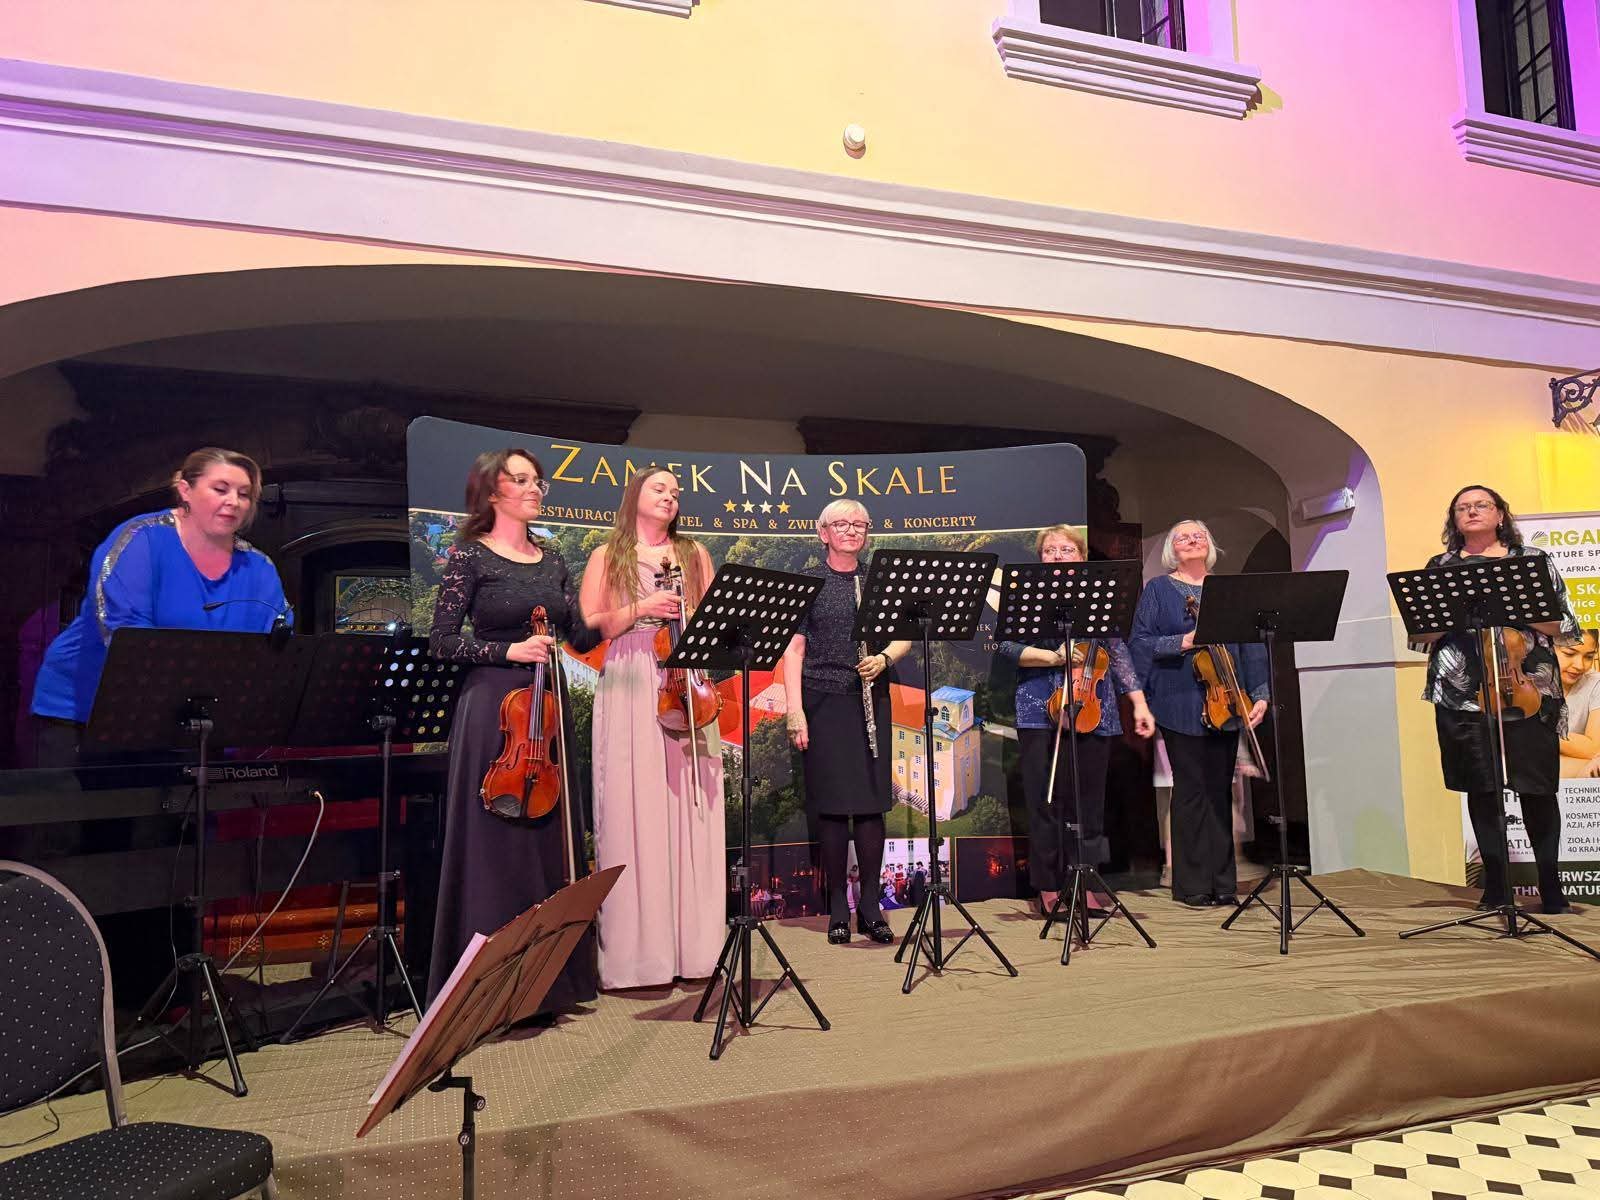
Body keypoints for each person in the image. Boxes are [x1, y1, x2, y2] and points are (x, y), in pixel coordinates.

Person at [426, 448, 601, 1010]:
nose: (534, 489)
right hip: (493, 707)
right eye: (520, 480)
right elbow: (441, 641)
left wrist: (632, 606)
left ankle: (549, 985)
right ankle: (486, 988)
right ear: (491, 491)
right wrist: (508, 650)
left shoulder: (552, 559)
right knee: (494, 840)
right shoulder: (470, 556)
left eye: (537, 481)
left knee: (546, 837)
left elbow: (580, 636)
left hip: (545, 708)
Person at [30, 447, 289, 763]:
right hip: (85, 713)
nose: (233, 501)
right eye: (220, 489)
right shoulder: (141, 539)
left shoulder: (259, 567)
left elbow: (275, 644)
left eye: (244, 494)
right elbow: (129, 635)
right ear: (185, 490)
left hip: (193, 719)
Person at [581, 467, 725, 988]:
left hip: (686, 681)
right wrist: (643, 607)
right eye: (659, 488)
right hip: (631, 675)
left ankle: (698, 951)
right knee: (632, 804)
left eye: (675, 492)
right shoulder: (607, 555)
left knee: (694, 807)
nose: (670, 496)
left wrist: (693, 618)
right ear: (634, 496)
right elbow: (589, 626)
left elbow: (714, 622)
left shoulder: (694, 553)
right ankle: (639, 957)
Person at [1414, 486, 1580, 913]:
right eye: (1462, 507)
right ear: (1454, 519)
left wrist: (1512, 607)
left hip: (1529, 689)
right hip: (1462, 695)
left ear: (1500, 514)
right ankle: (1496, 886)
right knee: (1481, 787)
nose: (1471, 511)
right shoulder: (1440, 568)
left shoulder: (1532, 561)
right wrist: (1453, 615)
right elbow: (1421, 637)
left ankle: (1550, 885)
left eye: (1481, 505)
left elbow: (1563, 625)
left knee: (1537, 787)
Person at [996, 524, 1156, 916]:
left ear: (1081, 557)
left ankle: (1085, 879)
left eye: (1066, 549)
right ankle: (1048, 886)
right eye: (1049, 550)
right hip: (1038, 708)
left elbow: (1117, 651)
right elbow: (1005, 646)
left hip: (1094, 708)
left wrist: (1138, 703)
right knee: (1045, 801)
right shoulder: (1026, 596)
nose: (1057, 555)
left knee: (1088, 803)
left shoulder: (1099, 597)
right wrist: (1052, 657)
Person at [783, 499, 912, 944]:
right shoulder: (809, 582)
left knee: (872, 806)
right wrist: (795, 709)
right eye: (842, 524)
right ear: (823, 533)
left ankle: (872, 906)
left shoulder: (878, 580)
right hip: (823, 701)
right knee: (834, 810)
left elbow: (903, 635)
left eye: (860, 524)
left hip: (871, 699)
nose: (852, 530)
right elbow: (794, 649)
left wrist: (884, 658)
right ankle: (839, 904)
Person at [1130, 519, 1267, 907]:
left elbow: (1251, 644)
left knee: (1221, 791)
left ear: (1210, 545)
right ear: (1172, 549)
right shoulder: (1159, 590)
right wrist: (1184, 641)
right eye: (1183, 537)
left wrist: (1259, 694)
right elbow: (1140, 643)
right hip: (1178, 701)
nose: (1192, 540)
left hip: (1228, 701)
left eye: (1199, 535)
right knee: (1190, 791)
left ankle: (1224, 883)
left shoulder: (1228, 592)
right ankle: (1191, 885)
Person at [1556, 629, 1599, 778]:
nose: (1580, 665)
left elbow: (1594, 748)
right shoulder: (1525, 682)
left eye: (1589, 656)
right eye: (1569, 654)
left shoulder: (1596, 683)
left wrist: (1539, 734)